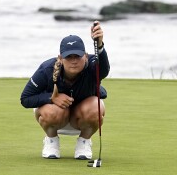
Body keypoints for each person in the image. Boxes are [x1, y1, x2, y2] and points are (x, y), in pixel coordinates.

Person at [20, 21, 110, 159]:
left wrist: (99, 45)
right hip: (55, 118)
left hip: (82, 118)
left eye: (78, 56)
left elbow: (103, 70)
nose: (74, 61)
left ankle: (84, 142)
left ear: (86, 56)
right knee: (52, 110)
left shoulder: (93, 65)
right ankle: (51, 141)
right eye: (69, 57)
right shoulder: (47, 69)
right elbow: (25, 99)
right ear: (60, 58)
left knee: (95, 106)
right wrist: (52, 98)